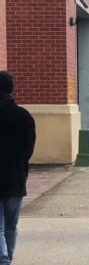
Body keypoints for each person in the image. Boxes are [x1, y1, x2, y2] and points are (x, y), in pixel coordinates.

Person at [0, 71, 36, 265]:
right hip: (16, 178)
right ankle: (7, 259)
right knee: (10, 227)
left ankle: (3, 261)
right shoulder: (23, 116)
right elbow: (28, 149)